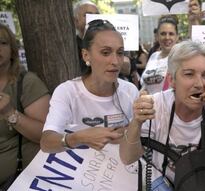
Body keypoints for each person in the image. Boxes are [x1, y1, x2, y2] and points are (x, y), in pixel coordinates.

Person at [120, 40, 205, 181]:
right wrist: (137, 121)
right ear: (172, 80)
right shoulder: (156, 105)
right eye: (189, 74)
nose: (199, 84)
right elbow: (127, 158)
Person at [40, 20, 139, 156]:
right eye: (105, 53)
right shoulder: (67, 92)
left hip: (121, 168)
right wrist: (78, 138)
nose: (115, 61)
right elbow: (46, 142)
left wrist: (130, 129)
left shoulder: (130, 91)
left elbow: (142, 135)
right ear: (86, 55)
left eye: (120, 53)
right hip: (76, 173)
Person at [0, 24, 50, 191]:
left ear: (12, 49)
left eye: (3, 43)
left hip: (14, 188)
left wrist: (10, 113)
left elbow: (46, 135)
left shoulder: (25, 83)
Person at [140, 0, 201, 94]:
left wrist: (193, 20)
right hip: (151, 107)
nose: (167, 37)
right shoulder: (154, 56)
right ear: (157, 36)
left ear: (177, 37)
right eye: (163, 34)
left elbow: (195, 45)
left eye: (171, 34)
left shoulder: (180, 55)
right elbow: (145, 86)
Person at [73, 0, 99, 74]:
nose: (93, 18)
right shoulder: (71, 46)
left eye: (96, 15)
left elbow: (127, 68)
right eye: (88, 15)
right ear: (75, 21)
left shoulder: (109, 41)